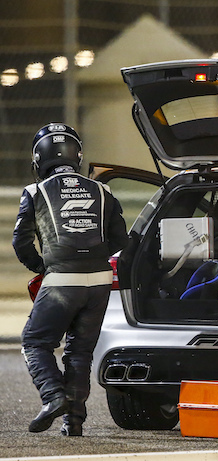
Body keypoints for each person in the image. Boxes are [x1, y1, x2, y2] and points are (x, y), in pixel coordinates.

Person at [12, 123, 129, 436]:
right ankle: (73, 422)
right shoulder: (103, 190)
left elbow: (20, 242)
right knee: (79, 352)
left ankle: (53, 397)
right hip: (101, 280)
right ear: (77, 155)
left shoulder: (35, 192)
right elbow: (121, 240)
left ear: (38, 159)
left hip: (61, 278)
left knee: (35, 342)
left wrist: (41, 266)